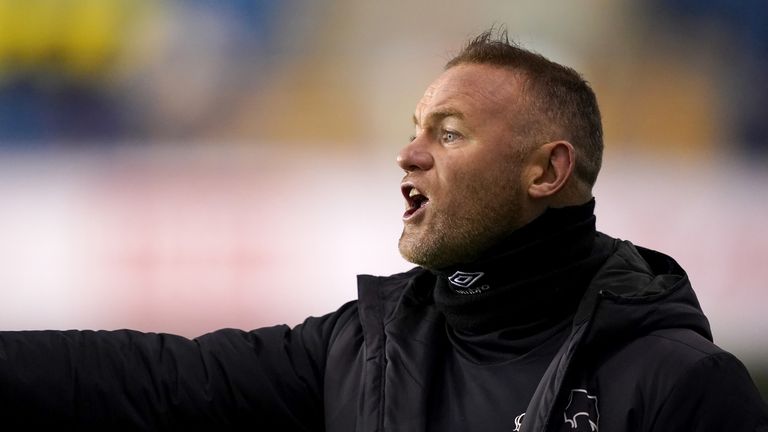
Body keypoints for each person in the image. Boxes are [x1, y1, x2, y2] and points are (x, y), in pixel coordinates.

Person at [1, 28, 766, 431]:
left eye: (451, 132)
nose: (409, 153)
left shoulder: (681, 385)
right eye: (414, 129)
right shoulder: (361, 351)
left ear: (546, 172)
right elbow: (161, 381)